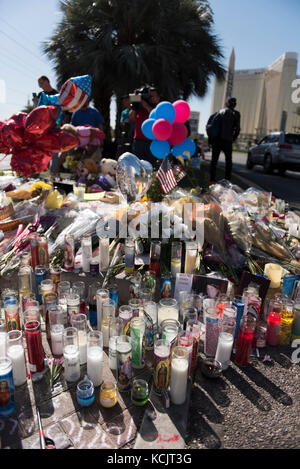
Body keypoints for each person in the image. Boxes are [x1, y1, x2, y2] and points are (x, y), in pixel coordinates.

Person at [209, 97, 241, 182]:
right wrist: (233, 138)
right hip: (228, 141)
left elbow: (211, 126)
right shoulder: (236, 114)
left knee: (214, 161)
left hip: (217, 140)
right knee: (228, 161)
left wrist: (211, 140)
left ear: (227, 104)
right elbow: (237, 129)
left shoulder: (219, 112)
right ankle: (227, 180)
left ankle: (212, 179)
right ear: (235, 104)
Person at [129, 86, 161, 169]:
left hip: (152, 143)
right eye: (148, 96)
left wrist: (146, 105)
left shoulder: (159, 108)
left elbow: (155, 116)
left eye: (152, 96)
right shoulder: (139, 108)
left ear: (158, 98)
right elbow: (131, 119)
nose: (150, 98)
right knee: (137, 167)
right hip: (138, 142)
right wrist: (135, 104)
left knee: (153, 166)